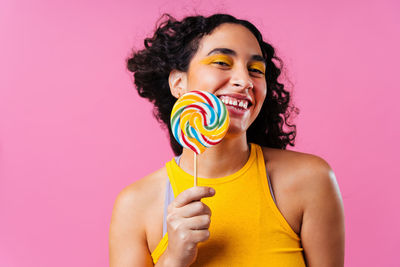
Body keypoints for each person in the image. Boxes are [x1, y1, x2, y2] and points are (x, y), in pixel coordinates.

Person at [109, 13, 345, 267]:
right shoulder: (135, 205)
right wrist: (174, 259)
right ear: (179, 83)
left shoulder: (310, 180)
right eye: (222, 62)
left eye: (255, 70)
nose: (244, 81)